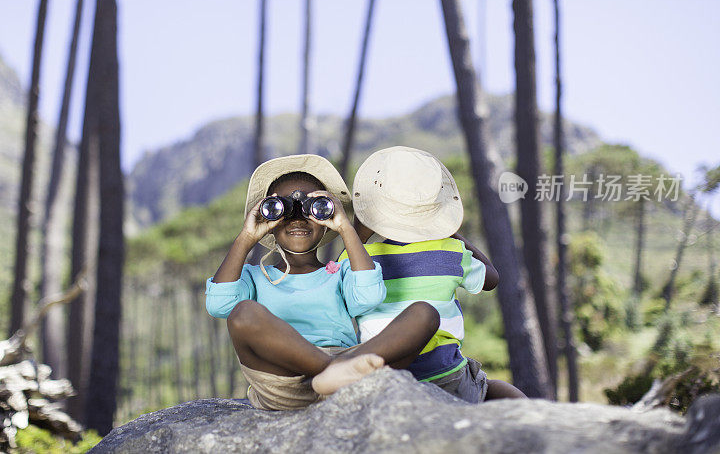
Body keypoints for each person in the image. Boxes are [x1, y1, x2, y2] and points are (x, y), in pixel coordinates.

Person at [205, 154, 440, 411]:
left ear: (326, 220)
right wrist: (246, 237)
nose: (297, 219)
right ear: (268, 221)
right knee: (243, 313)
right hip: (284, 380)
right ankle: (332, 371)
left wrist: (345, 227)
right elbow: (219, 305)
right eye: (281, 210)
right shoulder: (254, 277)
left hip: (350, 365)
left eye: (312, 207)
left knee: (425, 313)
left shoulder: (340, 271)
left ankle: (336, 372)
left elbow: (369, 296)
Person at [341, 146, 526, 402]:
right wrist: (452, 233)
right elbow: (492, 279)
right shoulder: (451, 250)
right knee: (497, 389)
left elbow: (340, 273)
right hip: (444, 373)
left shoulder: (361, 258)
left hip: (382, 371)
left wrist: (360, 228)